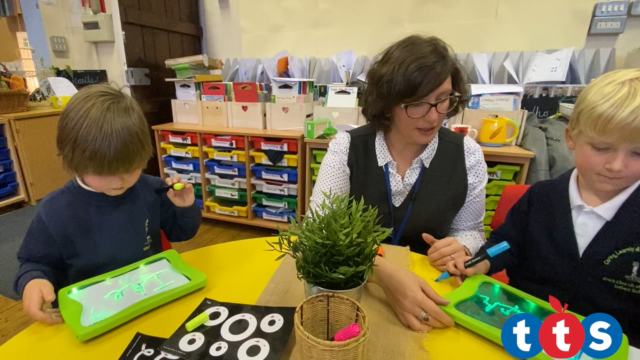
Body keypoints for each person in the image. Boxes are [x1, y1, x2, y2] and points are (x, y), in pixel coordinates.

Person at [445, 69, 640, 346]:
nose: (616, 165)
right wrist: (482, 261)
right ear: (571, 138)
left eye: (637, 153)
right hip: (524, 333)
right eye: (601, 148)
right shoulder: (541, 198)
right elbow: (507, 244)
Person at [310, 35, 488, 331]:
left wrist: (462, 248)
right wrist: (378, 271)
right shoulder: (347, 148)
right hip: (355, 286)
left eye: (443, 99)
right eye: (417, 104)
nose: (434, 116)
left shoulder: (467, 154)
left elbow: (470, 230)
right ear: (388, 102)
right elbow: (318, 232)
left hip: (430, 288)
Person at [14, 85, 202, 324]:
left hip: (149, 300)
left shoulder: (151, 189)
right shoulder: (55, 211)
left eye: (130, 168)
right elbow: (34, 262)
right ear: (74, 159)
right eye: (105, 171)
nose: (119, 180)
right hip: (94, 316)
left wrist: (184, 207)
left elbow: (182, 232)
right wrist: (33, 280)